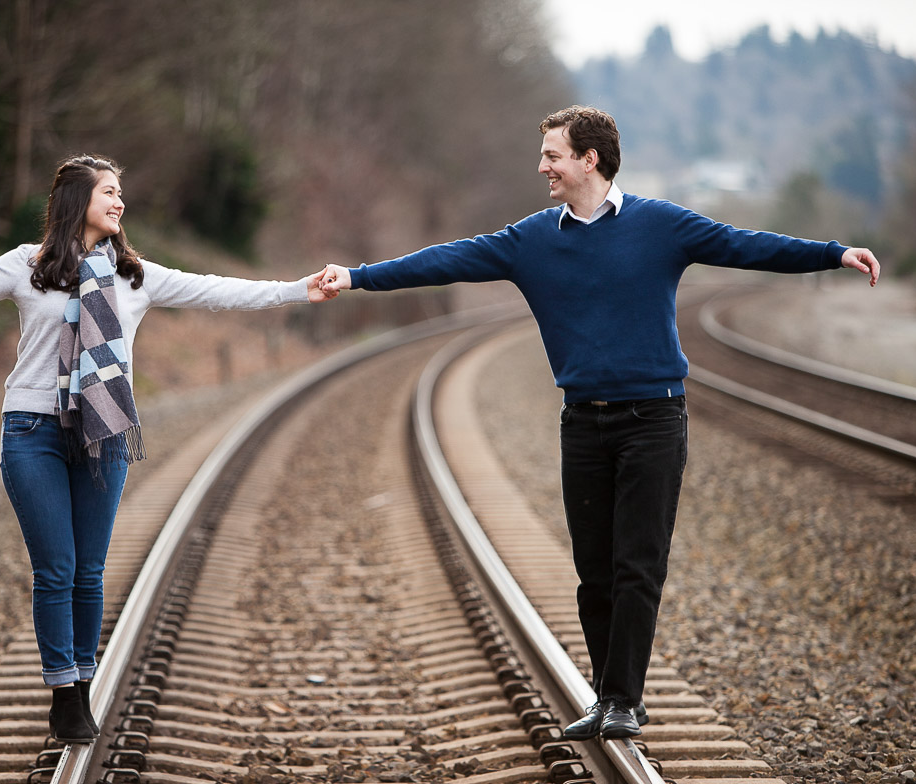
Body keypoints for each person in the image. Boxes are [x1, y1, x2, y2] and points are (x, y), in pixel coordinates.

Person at [320, 105, 879, 740]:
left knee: (638, 564)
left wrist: (834, 253)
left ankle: (621, 699)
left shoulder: (661, 226)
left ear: (591, 160)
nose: (543, 168)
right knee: (594, 571)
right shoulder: (532, 239)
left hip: (654, 419)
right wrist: (359, 277)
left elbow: (744, 244)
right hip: (583, 422)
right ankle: (612, 694)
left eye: (553, 156)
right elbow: (446, 260)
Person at [0, 154, 339, 744]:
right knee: (55, 568)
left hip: (103, 432)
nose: (119, 203)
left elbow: (216, 290)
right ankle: (63, 693)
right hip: (31, 432)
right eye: (108, 192)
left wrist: (296, 289)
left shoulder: (134, 276)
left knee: (89, 571)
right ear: (75, 201)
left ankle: (82, 686)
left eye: (121, 195)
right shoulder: (26, 268)